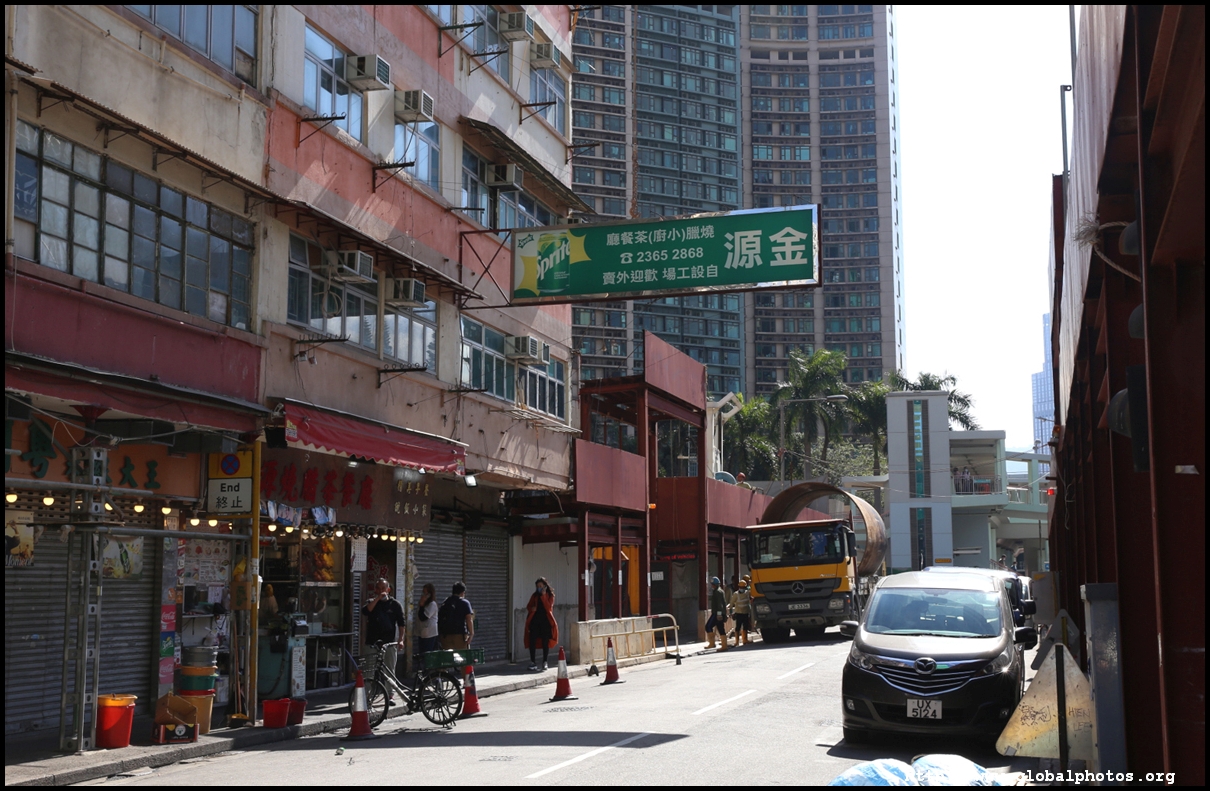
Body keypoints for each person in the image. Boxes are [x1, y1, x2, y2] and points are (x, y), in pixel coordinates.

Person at [362, 578, 406, 679]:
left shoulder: (395, 605)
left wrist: (401, 640)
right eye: (378, 588)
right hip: (372, 642)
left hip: (388, 643)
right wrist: (377, 599)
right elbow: (365, 611)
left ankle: (390, 693)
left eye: (383, 588)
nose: (381, 591)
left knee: (389, 671)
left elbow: (401, 623)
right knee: (369, 671)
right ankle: (368, 693)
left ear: (388, 590)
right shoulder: (371, 602)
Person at [525, 577, 558, 671]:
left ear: (545, 586)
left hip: (545, 622)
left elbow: (549, 608)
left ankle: (545, 661)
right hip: (535, 621)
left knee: (545, 642)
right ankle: (532, 662)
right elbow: (528, 606)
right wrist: (532, 609)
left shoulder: (550, 595)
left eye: (540, 586)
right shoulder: (534, 596)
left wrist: (543, 596)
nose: (539, 588)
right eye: (537, 586)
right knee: (532, 641)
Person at [437, 581, 475, 650]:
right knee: (463, 657)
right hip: (460, 635)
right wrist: (471, 633)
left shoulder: (445, 602)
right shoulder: (464, 603)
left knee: (448, 658)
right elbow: (469, 619)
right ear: (463, 592)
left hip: (445, 636)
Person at [705, 576, 729, 651]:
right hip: (720, 613)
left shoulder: (717, 592)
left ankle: (712, 643)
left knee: (708, 626)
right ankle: (724, 645)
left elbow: (719, 604)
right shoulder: (720, 591)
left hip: (717, 613)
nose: (711, 585)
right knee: (720, 628)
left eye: (712, 584)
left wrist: (719, 614)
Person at [416, 583, 439, 654]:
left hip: (429, 633)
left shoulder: (432, 604)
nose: (423, 595)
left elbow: (423, 617)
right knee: (422, 652)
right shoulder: (422, 603)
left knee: (427, 654)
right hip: (422, 632)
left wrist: (422, 605)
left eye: (425, 593)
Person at [729, 579, 753, 646]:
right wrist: (730, 610)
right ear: (739, 587)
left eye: (743, 587)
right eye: (741, 587)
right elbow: (731, 603)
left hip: (746, 613)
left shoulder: (748, 593)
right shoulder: (736, 594)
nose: (742, 588)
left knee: (745, 627)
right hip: (739, 613)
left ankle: (745, 640)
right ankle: (737, 642)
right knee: (738, 627)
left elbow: (751, 599)